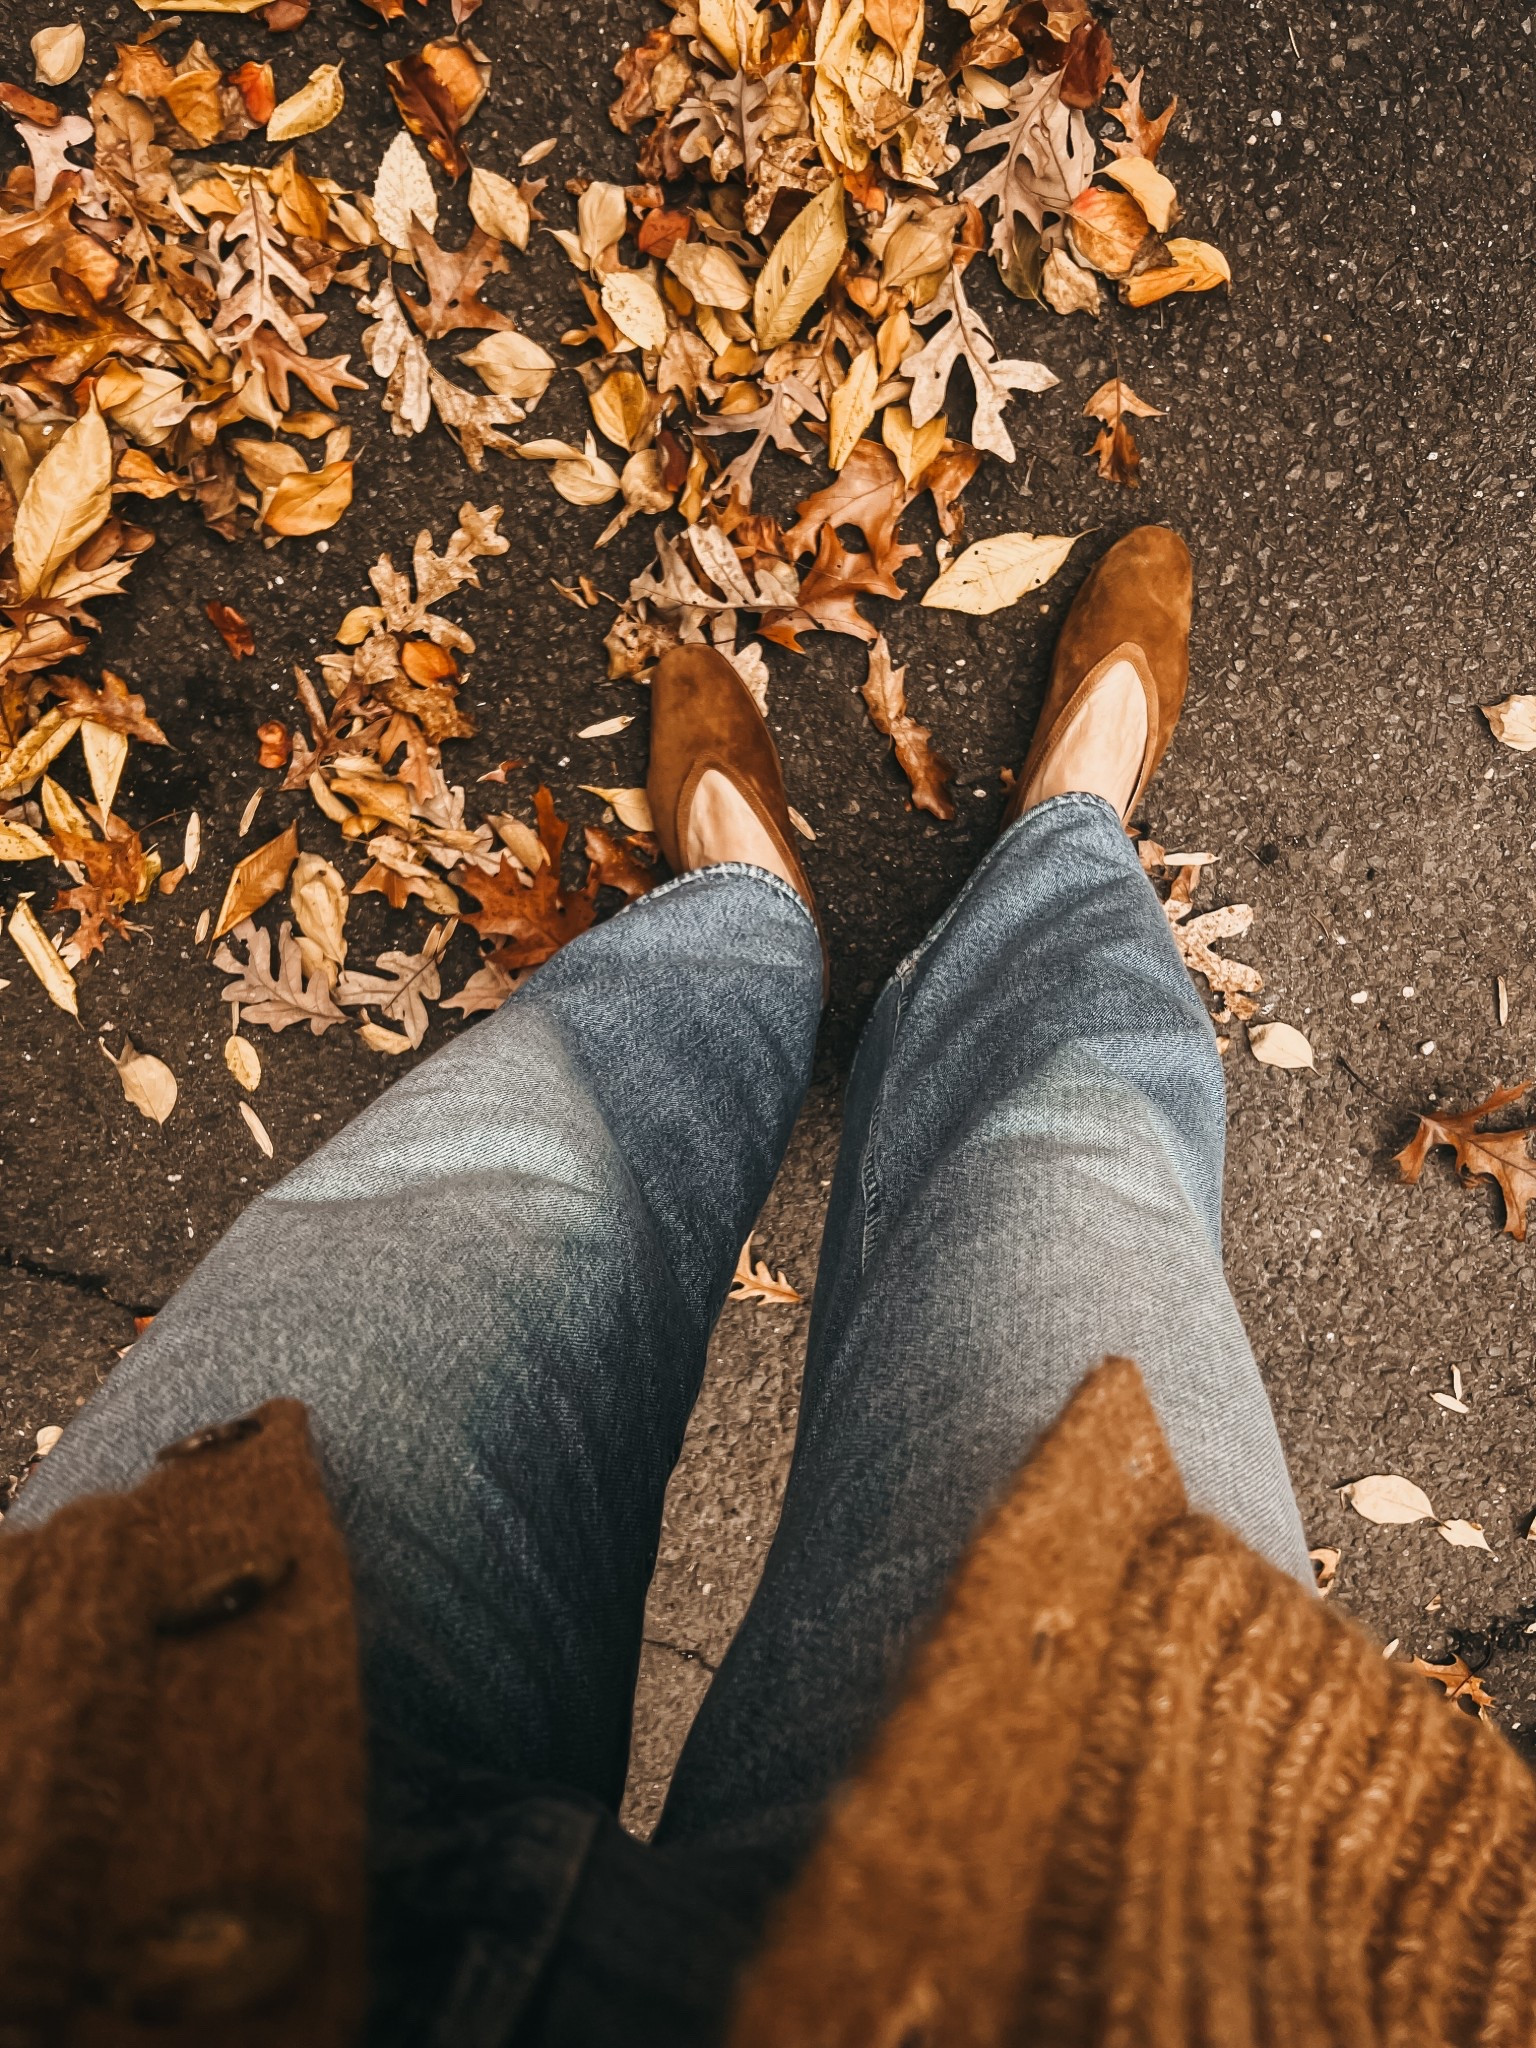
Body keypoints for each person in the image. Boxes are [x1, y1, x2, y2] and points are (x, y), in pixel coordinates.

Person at [5, 528, 1533, 2048]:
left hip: (134, 1859)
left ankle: (745, 928)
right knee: (1078, 1160)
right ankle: (1062, 850)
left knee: (506, 1176)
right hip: (1110, 1957)